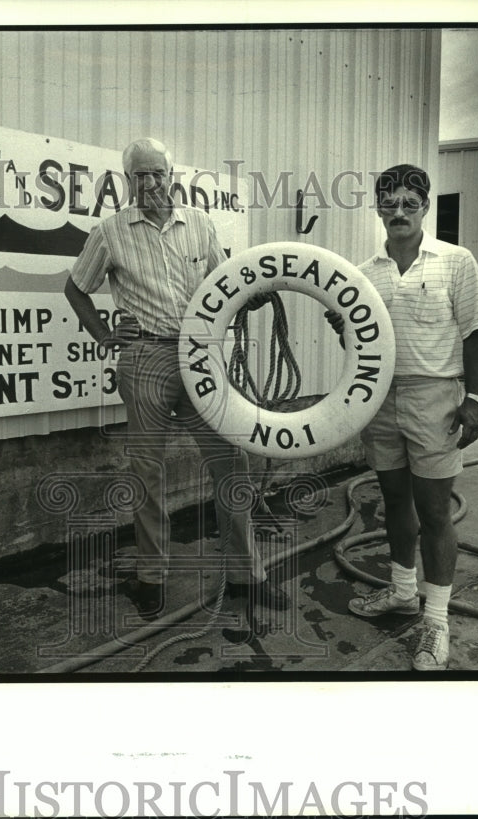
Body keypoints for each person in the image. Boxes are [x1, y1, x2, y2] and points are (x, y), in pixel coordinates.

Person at [63, 137, 289, 619]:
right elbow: (76, 287)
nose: (149, 183)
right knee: (147, 472)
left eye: (156, 174)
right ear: (128, 181)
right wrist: (105, 334)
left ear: (172, 177)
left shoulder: (201, 226)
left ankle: (246, 576)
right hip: (144, 356)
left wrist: (255, 294)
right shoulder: (110, 232)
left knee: (231, 460)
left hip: (200, 356)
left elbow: (224, 285)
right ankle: (151, 577)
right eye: (138, 175)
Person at [327, 163, 478, 670]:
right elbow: (359, 340)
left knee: (436, 512)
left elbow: (477, 333)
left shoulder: (455, 261)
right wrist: (342, 324)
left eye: (410, 203)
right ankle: (401, 592)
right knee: (394, 502)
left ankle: (435, 621)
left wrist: (475, 401)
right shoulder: (363, 272)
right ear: (378, 208)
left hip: (435, 398)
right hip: (380, 397)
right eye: (390, 203)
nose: (399, 212)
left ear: (425, 207)